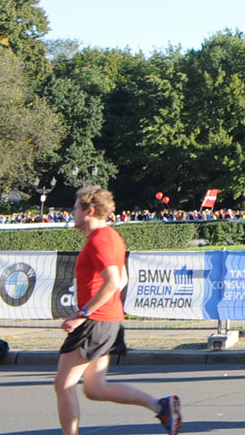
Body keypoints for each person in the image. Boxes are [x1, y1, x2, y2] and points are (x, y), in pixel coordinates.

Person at [53, 186, 183, 435]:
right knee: (94, 389)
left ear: (89, 210)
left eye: (75, 208)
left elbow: (113, 281)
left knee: (63, 384)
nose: (71, 212)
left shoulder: (100, 239)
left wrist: (83, 314)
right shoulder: (108, 236)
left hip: (96, 322)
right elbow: (121, 280)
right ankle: (160, 405)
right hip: (108, 320)